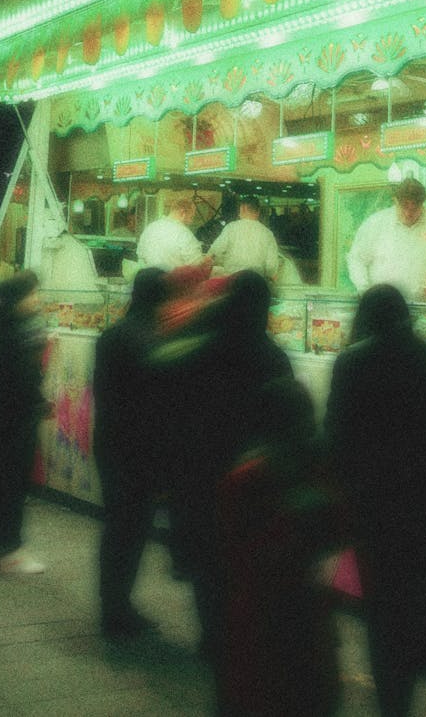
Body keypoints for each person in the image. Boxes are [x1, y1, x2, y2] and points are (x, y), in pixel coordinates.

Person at [325, 284, 426, 716]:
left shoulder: (351, 363)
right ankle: (403, 691)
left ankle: (391, 697)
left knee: (382, 607)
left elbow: (337, 438)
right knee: (413, 602)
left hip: (372, 507)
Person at [166, 271, 294, 676]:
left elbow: (180, 410)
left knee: (209, 561)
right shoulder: (272, 356)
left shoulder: (202, 348)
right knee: (248, 562)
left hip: (202, 472)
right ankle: (248, 637)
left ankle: (212, 636)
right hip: (253, 477)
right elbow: (284, 421)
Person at [216, 377, 341, 716]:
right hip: (300, 607)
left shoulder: (245, 475)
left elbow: (235, 544)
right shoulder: (312, 471)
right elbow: (336, 531)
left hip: (255, 610)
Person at [93, 266, 171, 636]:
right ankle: (118, 611)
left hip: (109, 440)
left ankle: (114, 606)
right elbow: (155, 404)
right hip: (139, 449)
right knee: (131, 530)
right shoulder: (152, 339)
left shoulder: (112, 335)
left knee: (117, 529)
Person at [0, 270, 51, 574]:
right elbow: (22, 378)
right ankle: (8, 551)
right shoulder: (15, 331)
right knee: (10, 483)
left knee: (0, 482)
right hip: (12, 418)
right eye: (32, 294)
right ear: (18, 299)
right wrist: (38, 401)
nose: (37, 299)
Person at [346, 177, 426, 302]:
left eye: (414, 208)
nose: (408, 213)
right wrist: (365, 291)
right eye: (404, 207)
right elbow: (356, 259)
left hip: (424, 309)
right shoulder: (376, 223)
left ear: (422, 204)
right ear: (395, 201)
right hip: (382, 307)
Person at [136, 191, 212, 275]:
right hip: (175, 285)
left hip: (150, 283)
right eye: (191, 217)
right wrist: (205, 262)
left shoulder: (150, 228)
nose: (191, 221)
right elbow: (196, 265)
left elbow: (140, 256)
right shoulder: (184, 234)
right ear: (183, 213)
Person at [207, 196, 280, 283]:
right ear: (258, 211)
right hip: (256, 283)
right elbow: (271, 267)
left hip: (232, 281)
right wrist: (271, 276)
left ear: (242, 208)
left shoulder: (231, 228)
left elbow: (215, 251)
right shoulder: (267, 233)